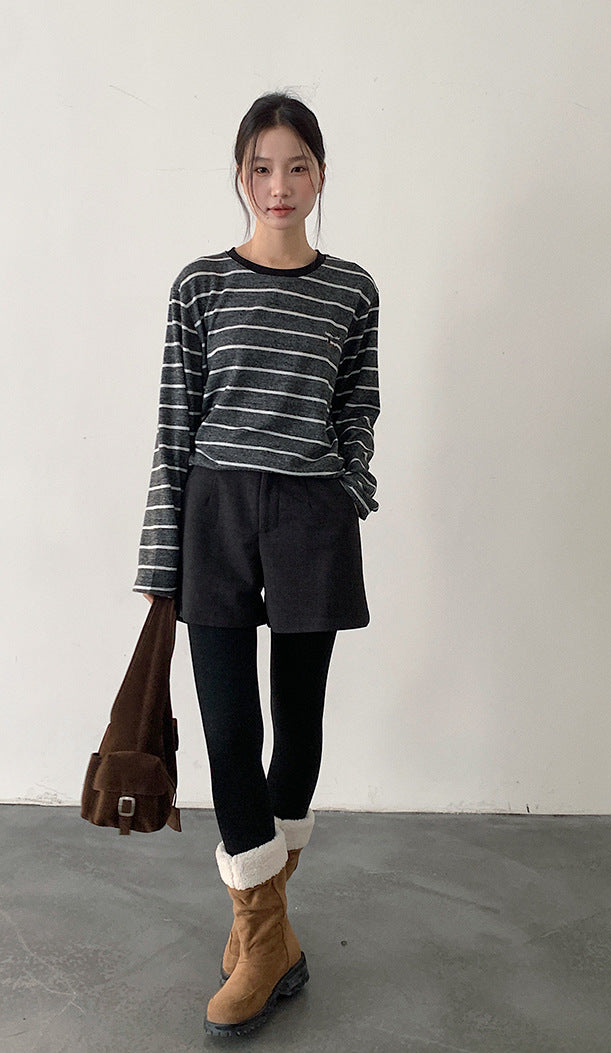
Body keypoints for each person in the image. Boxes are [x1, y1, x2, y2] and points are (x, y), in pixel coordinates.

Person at [132, 90, 380, 1038]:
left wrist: (348, 486)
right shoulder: (199, 285)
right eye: (261, 168)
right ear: (239, 176)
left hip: (313, 513)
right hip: (217, 510)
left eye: (297, 166)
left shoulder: (352, 288)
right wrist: (163, 551)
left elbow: (358, 402)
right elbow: (175, 424)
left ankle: (260, 931)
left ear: (320, 176)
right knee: (230, 728)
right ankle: (267, 932)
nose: (279, 185)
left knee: (298, 726)